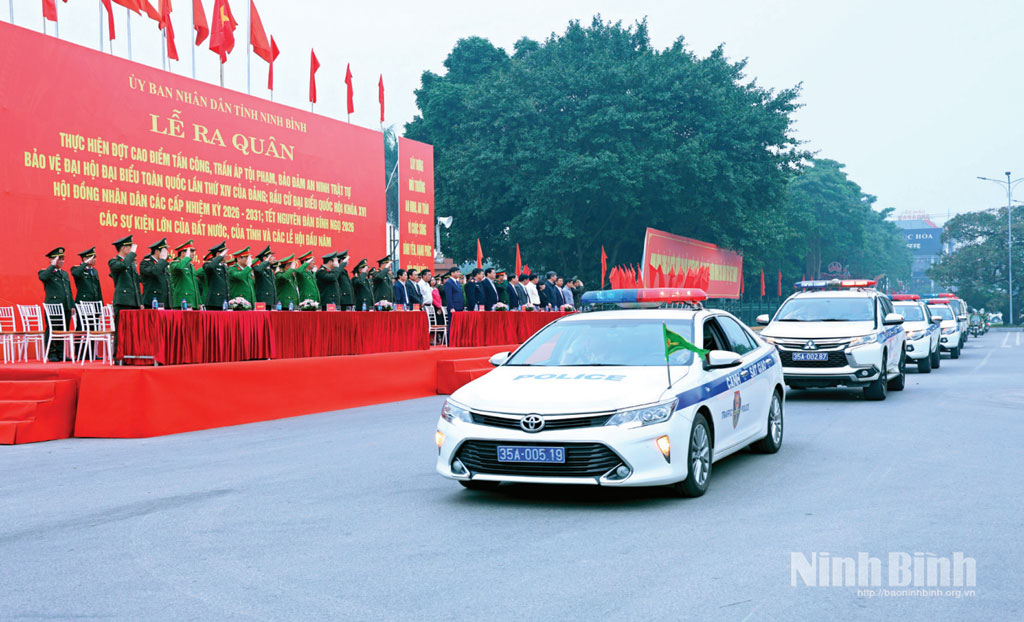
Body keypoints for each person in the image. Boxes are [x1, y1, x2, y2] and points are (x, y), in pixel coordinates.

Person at [39, 247, 74, 361]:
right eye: (59, 259)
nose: (62, 261)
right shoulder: (46, 272)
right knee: (52, 328)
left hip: (65, 306)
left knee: (63, 329)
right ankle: (51, 353)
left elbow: (68, 291)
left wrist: (72, 305)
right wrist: (52, 265)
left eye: (63, 259)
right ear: (51, 260)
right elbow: (43, 277)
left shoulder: (64, 274)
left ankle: (61, 353)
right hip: (53, 307)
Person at [108, 235, 141, 356]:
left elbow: (136, 283)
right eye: (129, 247)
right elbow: (122, 266)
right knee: (121, 331)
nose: (132, 249)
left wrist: (140, 302)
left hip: (133, 302)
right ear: (123, 248)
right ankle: (118, 356)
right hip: (122, 301)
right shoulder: (114, 261)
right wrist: (132, 254)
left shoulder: (130, 263)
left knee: (133, 332)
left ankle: (130, 355)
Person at [169, 240, 201, 309]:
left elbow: (195, 285)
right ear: (183, 253)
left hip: (193, 301)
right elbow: (179, 267)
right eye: (191, 252)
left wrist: (199, 302)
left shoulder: (191, 266)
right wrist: (186, 257)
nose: (193, 254)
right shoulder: (174, 263)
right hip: (182, 301)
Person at [139, 238, 171, 309]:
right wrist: (162, 259)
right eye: (164, 251)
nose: (167, 253)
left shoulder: (163, 264)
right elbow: (154, 271)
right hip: (152, 303)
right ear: (157, 251)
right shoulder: (146, 263)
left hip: (165, 303)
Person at [203, 242, 230, 310]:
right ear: (218, 254)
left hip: (224, 302)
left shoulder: (223, 266)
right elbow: (210, 267)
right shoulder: (208, 264)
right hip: (214, 302)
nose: (227, 255)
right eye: (225, 254)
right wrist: (220, 256)